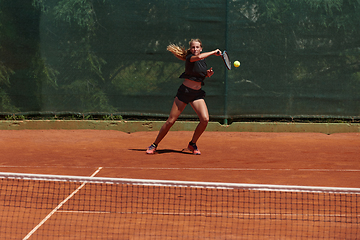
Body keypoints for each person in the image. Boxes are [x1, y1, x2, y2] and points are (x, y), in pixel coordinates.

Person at [146, 39, 221, 155]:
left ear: (201, 48)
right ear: (190, 49)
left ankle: (192, 143)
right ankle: (154, 144)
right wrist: (213, 52)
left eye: (197, 47)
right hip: (184, 92)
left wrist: (207, 74)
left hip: (197, 94)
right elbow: (198, 58)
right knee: (171, 121)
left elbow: (198, 74)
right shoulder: (190, 58)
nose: (195, 49)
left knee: (205, 119)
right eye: (193, 47)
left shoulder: (202, 60)